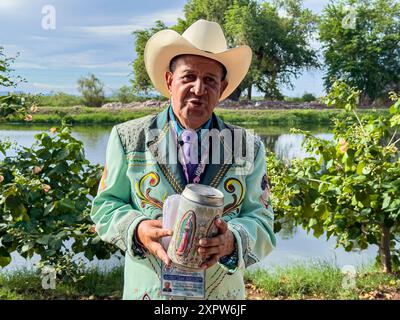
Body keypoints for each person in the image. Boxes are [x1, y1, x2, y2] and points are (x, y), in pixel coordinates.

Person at [90, 19, 276, 300]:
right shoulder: (129, 138)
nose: (199, 89)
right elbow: (105, 206)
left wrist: (230, 241)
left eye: (210, 80)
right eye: (188, 77)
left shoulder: (248, 147)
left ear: (223, 88)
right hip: (149, 293)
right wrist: (137, 228)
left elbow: (262, 221)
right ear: (169, 81)